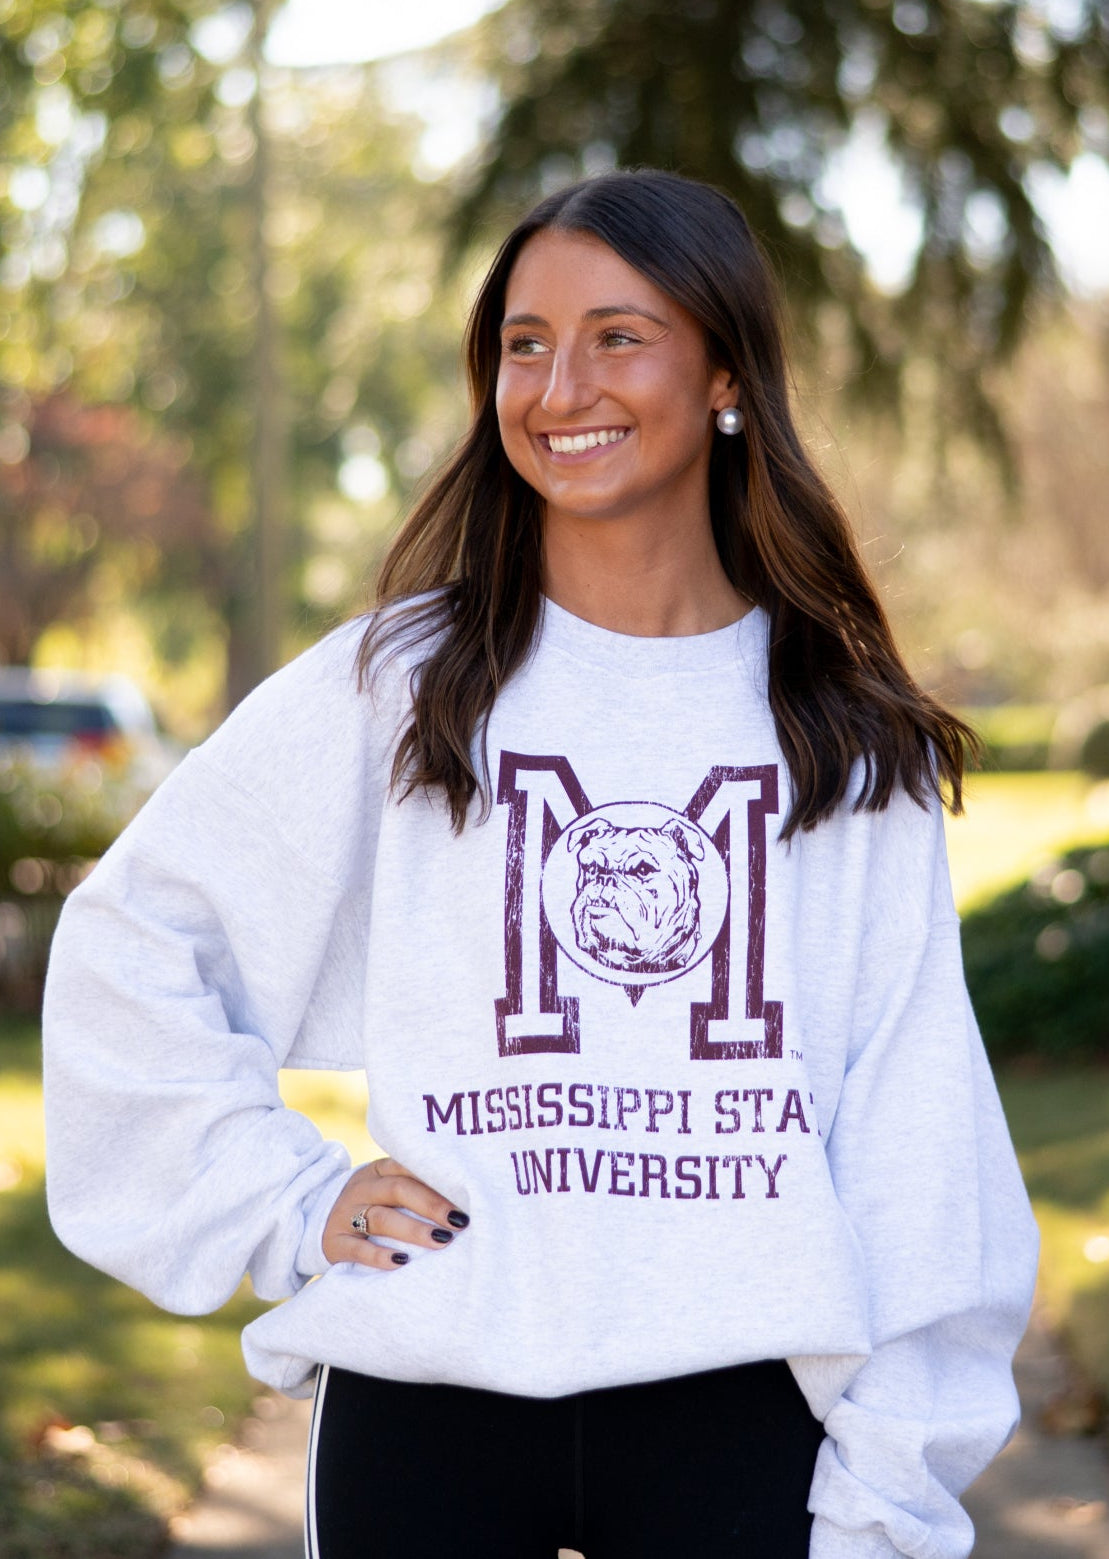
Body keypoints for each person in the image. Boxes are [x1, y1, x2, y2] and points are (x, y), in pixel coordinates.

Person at [43, 169, 1038, 1559]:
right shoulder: (402, 684)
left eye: (618, 336)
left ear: (726, 378)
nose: (559, 384)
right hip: (432, 1403)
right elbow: (136, 943)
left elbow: (912, 1134)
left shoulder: (842, 730)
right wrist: (285, 1200)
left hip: (742, 1409)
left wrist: (893, 1480)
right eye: (523, 342)